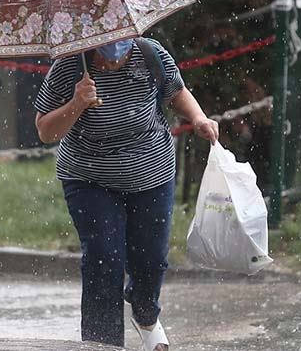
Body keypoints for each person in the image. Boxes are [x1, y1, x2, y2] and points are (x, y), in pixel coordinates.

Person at [34, 37, 218, 351]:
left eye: (121, 42)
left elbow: (176, 92)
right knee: (104, 259)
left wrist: (198, 117)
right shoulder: (69, 66)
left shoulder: (150, 54)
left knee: (151, 260)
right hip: (89, 178)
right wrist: (77, 102)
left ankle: (145, 313)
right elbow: (45, 130)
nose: (114, 51)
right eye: (106, 43)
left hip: (152, 173)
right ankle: (102, 344)